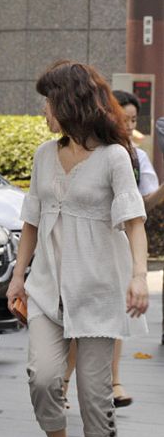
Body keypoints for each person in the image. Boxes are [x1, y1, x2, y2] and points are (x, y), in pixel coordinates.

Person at [8, 60, 149, 437]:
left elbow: (134, 223)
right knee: (43, 380)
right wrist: (18, 276)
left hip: (97, 291)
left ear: (69, 103)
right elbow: (31, 220)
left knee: (94, 393)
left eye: (49, 102)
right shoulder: (45, 155)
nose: (44, 112)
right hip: (48, 289)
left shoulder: (114, 157)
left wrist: (139, 277)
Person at [61, 91, 162, 408]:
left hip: (115, 248)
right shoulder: (88, 152)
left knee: (110, 320)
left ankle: (112, 383)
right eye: (124, 118)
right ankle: (64, 384)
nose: (129, 124)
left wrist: (139, 275)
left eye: (133, 119)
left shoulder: (134, 157)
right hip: (81, 249)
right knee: (79, 324)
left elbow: (144, 205)